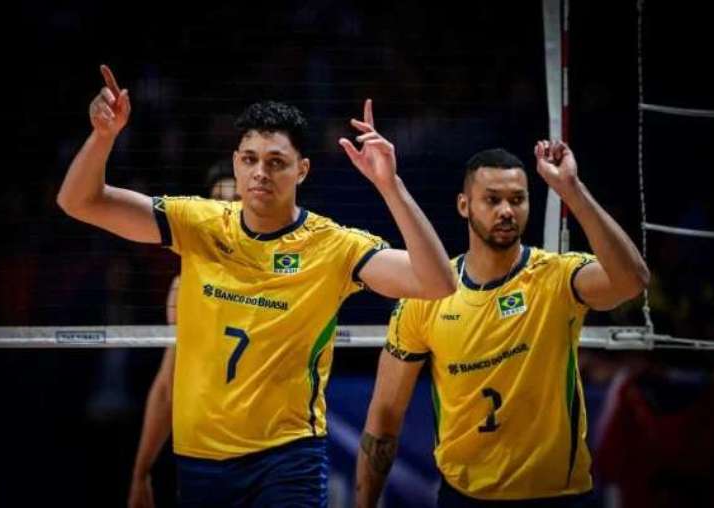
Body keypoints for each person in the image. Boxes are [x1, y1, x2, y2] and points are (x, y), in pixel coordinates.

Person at [57, 65, 456, 507]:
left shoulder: (333, 246)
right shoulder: (198, 223)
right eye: (249, 160)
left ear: (302, 170)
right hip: (200, 459)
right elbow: (78, 201)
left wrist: (390, 186)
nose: (260, 172)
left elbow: (437, 283)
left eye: (276, 162)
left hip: (288, 457)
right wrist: (104, 136)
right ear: (235, 162)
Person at [356, 143, 650, 507]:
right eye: (492, 200)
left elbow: (632, 281)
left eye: (517, 199)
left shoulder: (557, 277)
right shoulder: (427, 296)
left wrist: (571, 189)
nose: (507, 211)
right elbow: (384, 417)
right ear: (464, 205)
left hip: (558, 498)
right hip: (464, 498)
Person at [128, 165, 239, 508]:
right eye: (219, 201)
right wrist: (141, 472)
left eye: (236, 200)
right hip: (209, 456)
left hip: (277, 450)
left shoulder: (289, 273)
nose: (228, 210)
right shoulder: (185, 287)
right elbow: (167, 386)